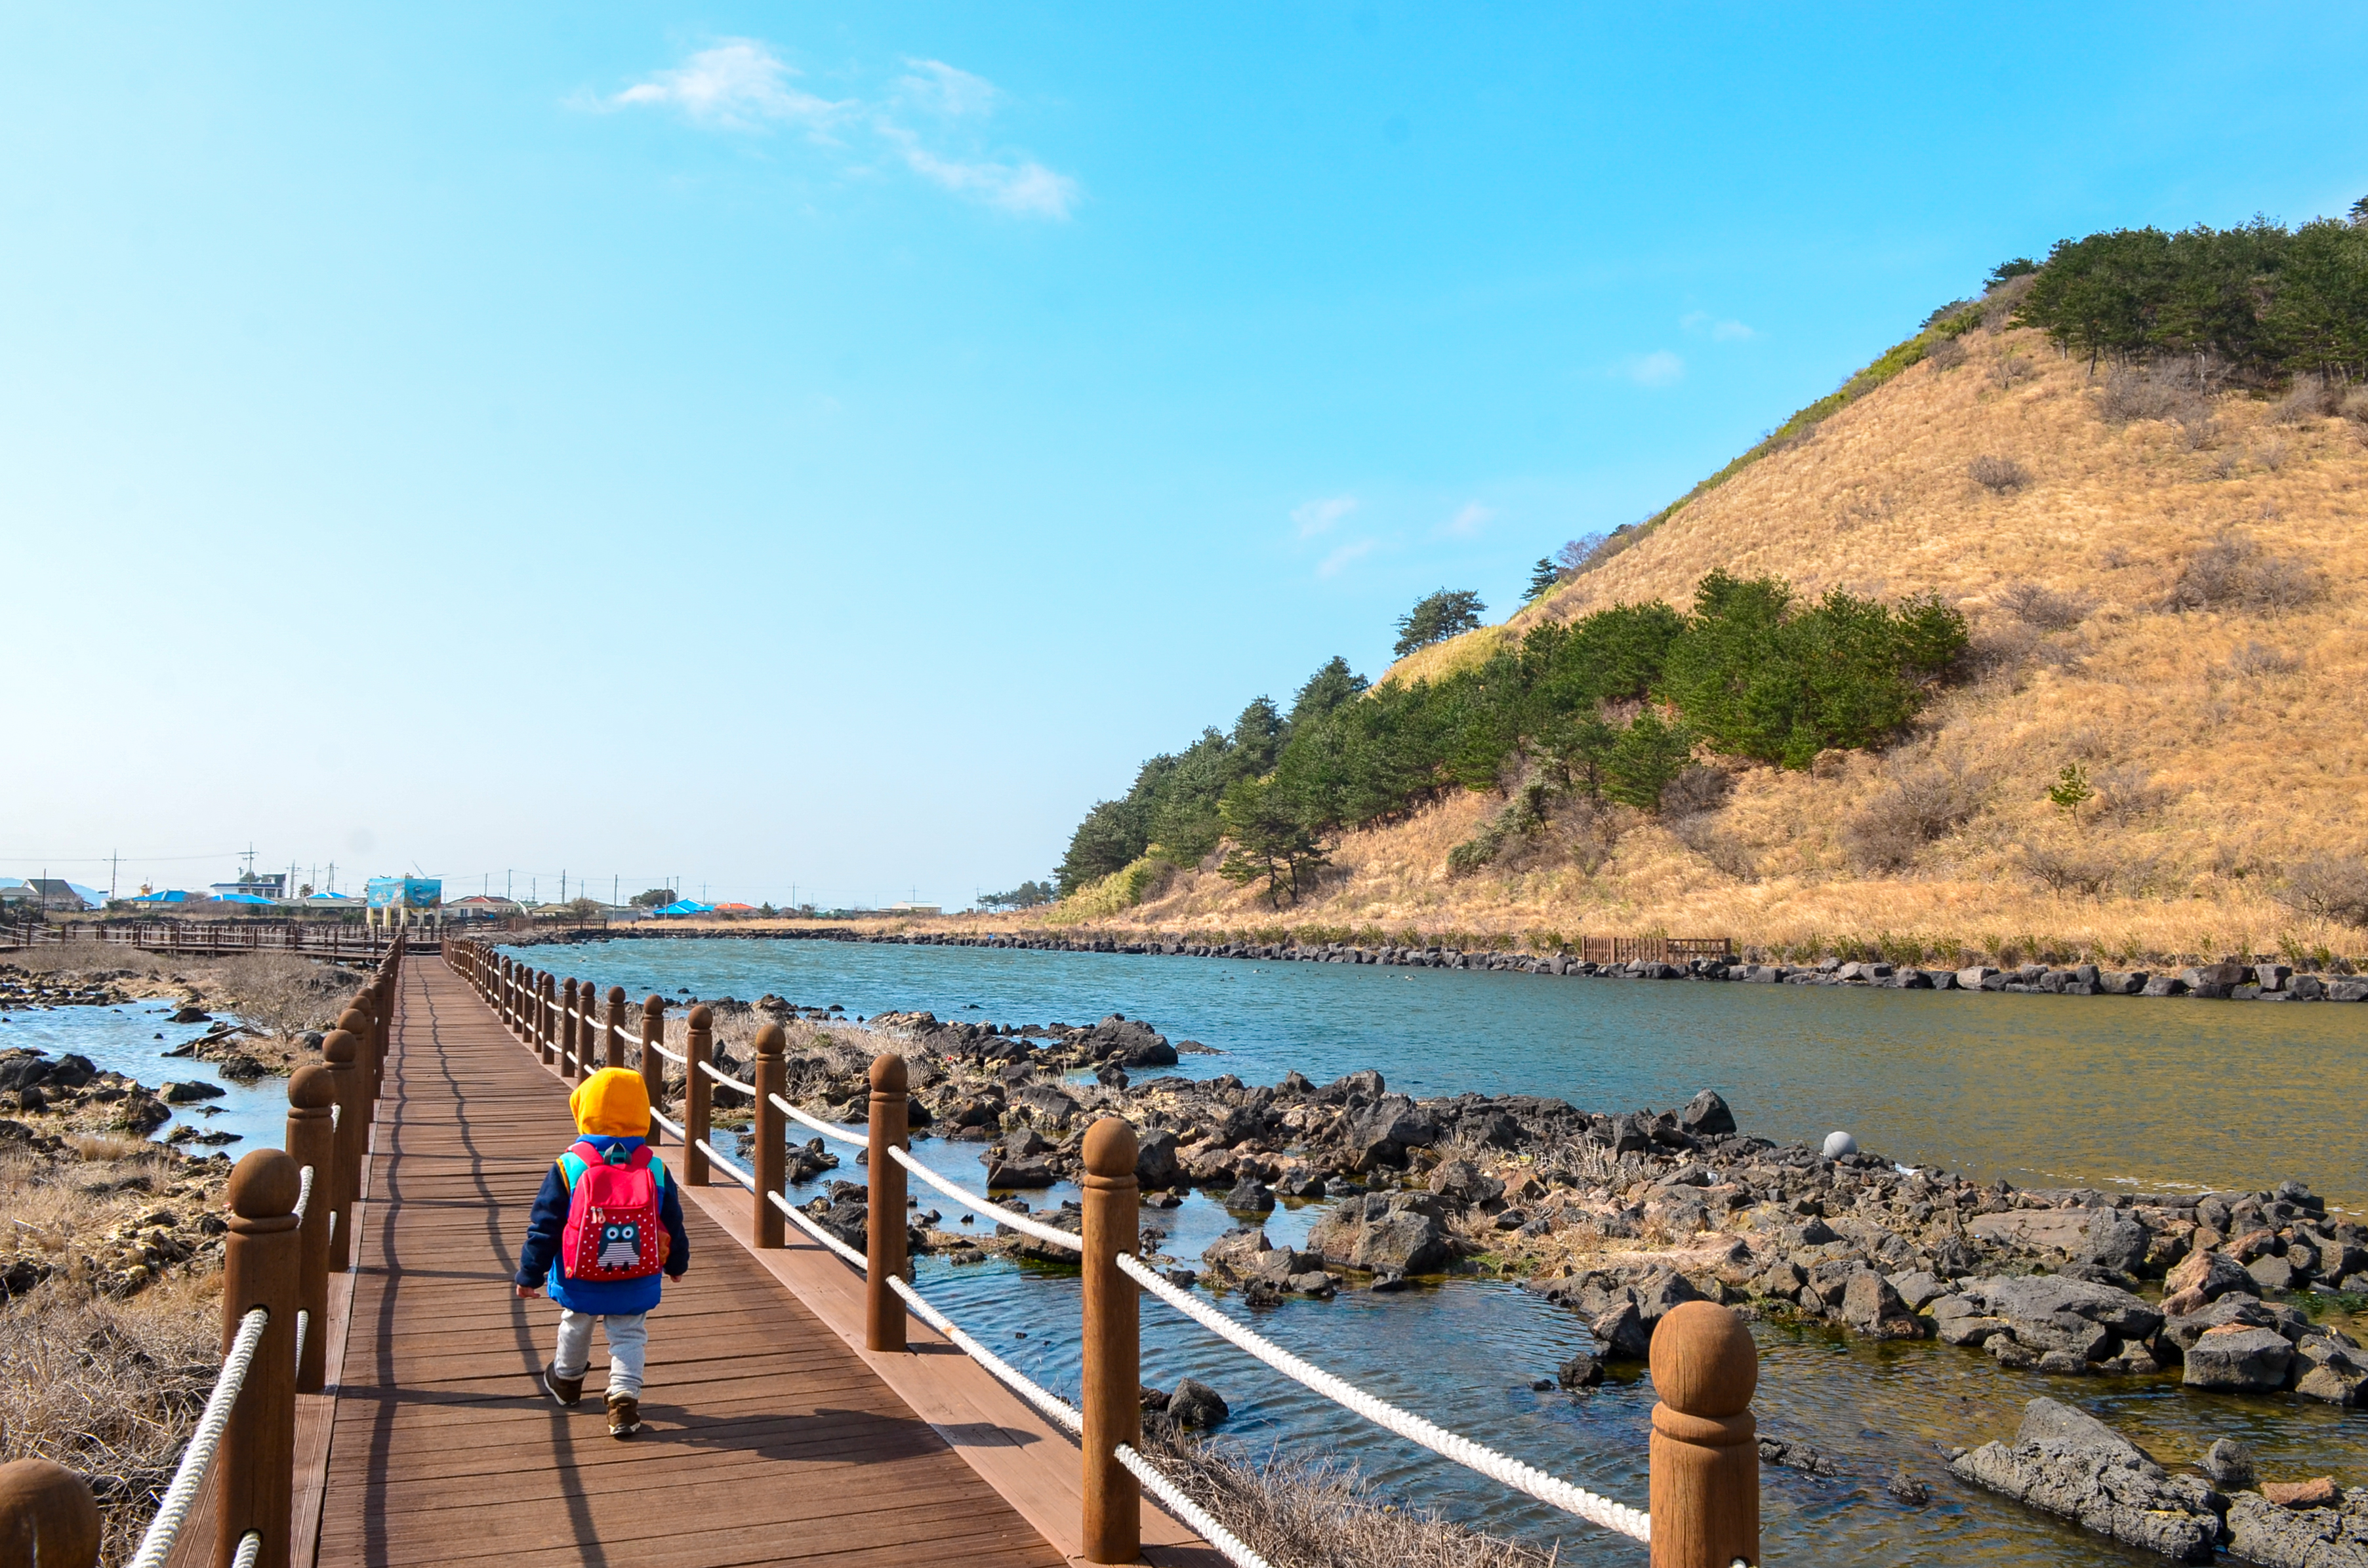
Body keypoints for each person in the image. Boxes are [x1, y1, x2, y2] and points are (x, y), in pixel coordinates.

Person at [514, 1067, 690, 1437]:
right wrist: (676, 1263)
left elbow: (544, 1226)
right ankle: (624, 1401)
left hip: (580, 1274)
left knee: (576, 1321)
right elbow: (673, 1222)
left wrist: (530, 1274)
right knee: (629, 1334)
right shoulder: (655, 1168)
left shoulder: (570, 1165)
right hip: (638, 1274)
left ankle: (566, 1381)